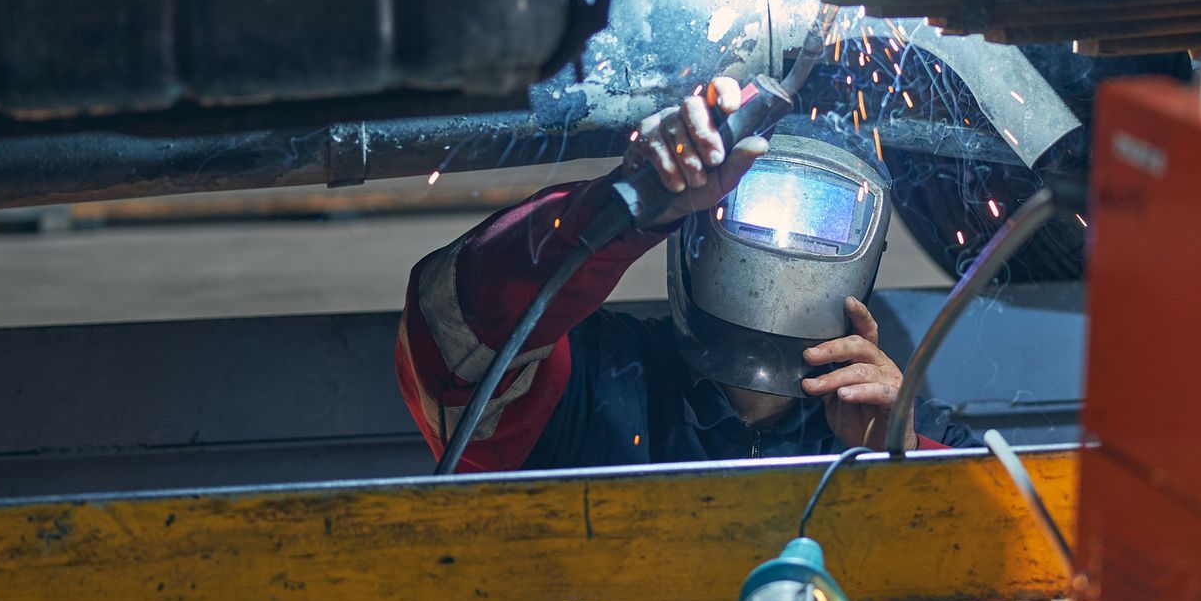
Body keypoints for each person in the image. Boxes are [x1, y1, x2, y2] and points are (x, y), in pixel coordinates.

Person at [396, 77, 974, 472]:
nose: (787, 234)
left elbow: (1010, 562)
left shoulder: (907, 426)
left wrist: (902, 465)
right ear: (695, 221)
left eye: (822, 215)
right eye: (760, 200)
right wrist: (625, 201)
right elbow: (456, 333)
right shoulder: (590, 380)